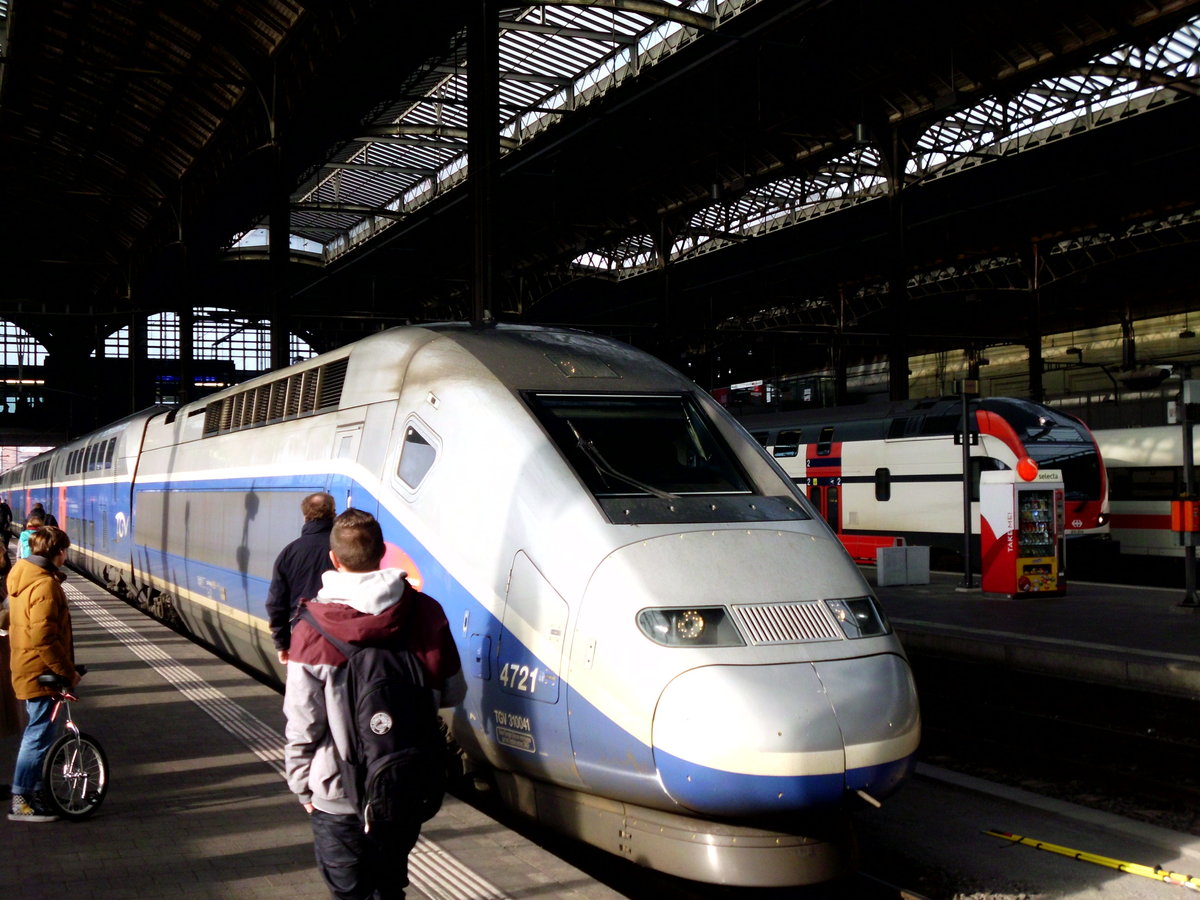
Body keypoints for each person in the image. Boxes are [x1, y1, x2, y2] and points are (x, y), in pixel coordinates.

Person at [283, 509, 462, 900]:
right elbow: (452, 693)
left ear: (334, 559)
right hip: (403, 783)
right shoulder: (426, 611)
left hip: (336, 789)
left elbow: (304, 721)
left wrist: (301, 785)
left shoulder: (311, 627)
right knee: (389, 884)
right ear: (383, 552)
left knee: (351, 892)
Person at [7, 525, 79, 822]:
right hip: (41, 671)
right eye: (65, 550)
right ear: (58, 552)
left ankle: (35, 792)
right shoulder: (46, 586)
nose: (66, 555)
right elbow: (44, 638)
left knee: (40, 734)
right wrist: (67, 671)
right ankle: (21, 800)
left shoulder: (25, 576)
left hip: (29, 667)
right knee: (37, 737)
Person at [266, 492, 336, 665]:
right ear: (333, 514)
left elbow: (276, 604)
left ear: (305, 517)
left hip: (302, 636)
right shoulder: (343, 550)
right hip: (339, 638)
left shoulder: (289, 553)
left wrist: (282, 643)